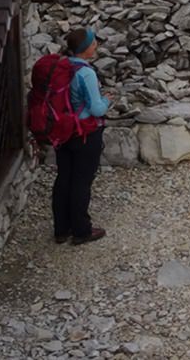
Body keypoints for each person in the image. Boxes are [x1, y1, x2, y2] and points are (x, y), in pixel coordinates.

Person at [53, 27, 110, 245]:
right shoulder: (86, 73)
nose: (96, 45)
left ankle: (61, 229)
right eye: (94, 42)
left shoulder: (61, 67)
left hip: (62, 130)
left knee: (63, 179)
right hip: (84, 132)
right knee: (81, 181)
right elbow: (96, 109)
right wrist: (108, 101)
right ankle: (81, 230)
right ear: (86, 48)